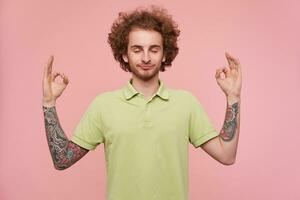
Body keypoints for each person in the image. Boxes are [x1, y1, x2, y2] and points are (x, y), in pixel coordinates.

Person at [42, 5, 242, 200]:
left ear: (164, 54)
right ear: (124, 54)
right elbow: (62, 159)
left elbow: (227, 155)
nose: (145, 57)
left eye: (154, 49)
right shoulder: (103, 105)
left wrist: (233, 98)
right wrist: (49, 104)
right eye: (137, 49)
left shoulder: (186, 103)